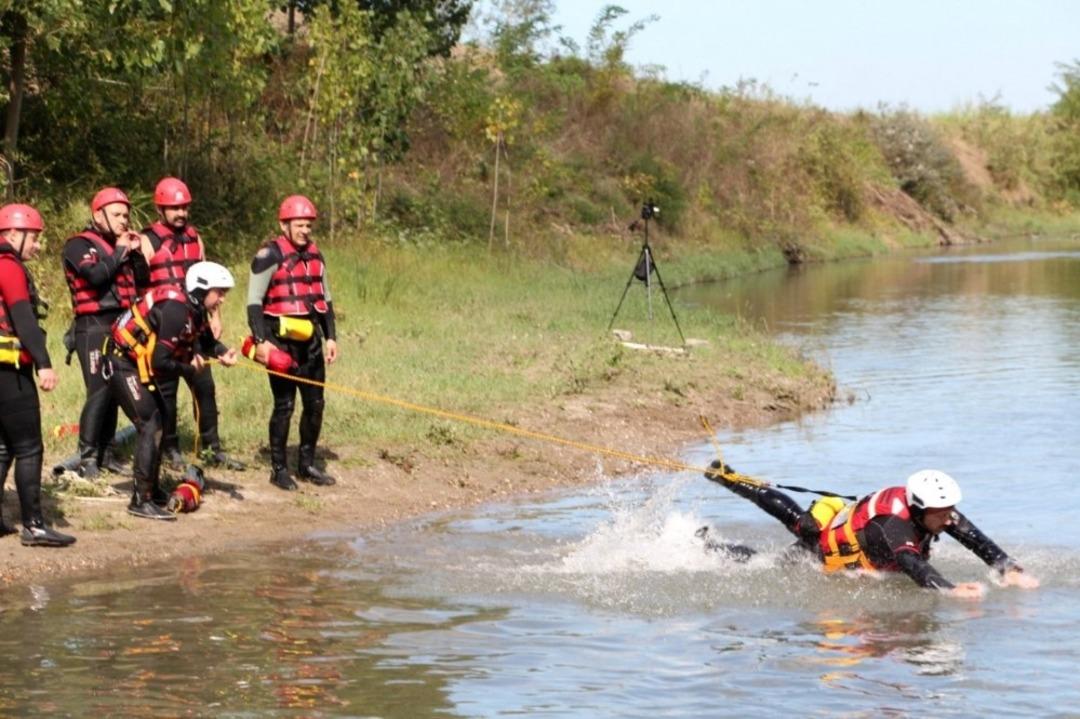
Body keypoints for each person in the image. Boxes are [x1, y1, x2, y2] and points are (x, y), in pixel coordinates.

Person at [704, 463, 1039, 598]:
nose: (951, 517)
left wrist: (1008, 569)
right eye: (944, 512)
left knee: (768, 560)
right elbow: (913, 565)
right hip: (821, 549)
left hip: (847, 523)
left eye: (952, 508)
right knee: (765, 564)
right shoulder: (893, 526)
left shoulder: (932, 511)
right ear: (920, 510)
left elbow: (972, 537)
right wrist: (950, 591)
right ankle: (712, 536)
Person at [106, 261, 238, 520]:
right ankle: (139, 500)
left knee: (162, 421)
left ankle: (152, 491)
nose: (222, 299)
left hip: (137, 364)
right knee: (150, 423)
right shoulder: (177, 311)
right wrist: (191, 369)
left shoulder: (195, 309)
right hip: (120, 363)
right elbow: (160, 362)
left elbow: (206, 340)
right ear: (202, 290)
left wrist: (223, 352)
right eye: (219, 292)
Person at [138, 177, 244, 470]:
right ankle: (170, 448)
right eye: (174, 208)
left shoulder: (195, 238)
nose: (181, 213)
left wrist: (216, 316)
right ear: (160, 209)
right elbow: (137, 286)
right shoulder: (148, 240)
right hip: (163, 325)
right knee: (167, 390)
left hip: (194, 322)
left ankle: (212, 448)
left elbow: (209, 279)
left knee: (204, 385)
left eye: (184, 207)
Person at [246, 195, 338, 491]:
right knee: (284, 405)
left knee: (316, 404)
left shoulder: (316, 255)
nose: (305, 230)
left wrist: (331, 337)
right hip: (279, 340)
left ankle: (307, 464)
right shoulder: (268, 256)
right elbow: (253, 303)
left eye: (309, 225)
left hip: (311, 340)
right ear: (284, 224)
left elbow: (325, 300)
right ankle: (278, 468)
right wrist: (262, 341)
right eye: (300, 225)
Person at [0, 203, 76, 546]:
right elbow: (23, 319)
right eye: (34, 238)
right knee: (29, 447)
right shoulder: (8, 266)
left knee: (3, 447)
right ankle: (33, 526)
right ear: (12, 234)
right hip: (9, 370)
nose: (37, 245)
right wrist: (44, 363)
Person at [61, 187, 147, 478]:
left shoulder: (120, 246)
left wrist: (135, 254)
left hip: (121, 325)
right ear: (98, 215)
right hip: (93, 327)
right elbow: (96, 276)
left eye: (126, 215)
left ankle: (107, 453)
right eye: (116, 214)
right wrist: (122, 250)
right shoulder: (78, 244)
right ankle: (87, 457)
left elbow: (142, 280)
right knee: (99, 390)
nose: (123, 220)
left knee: (116, 390)